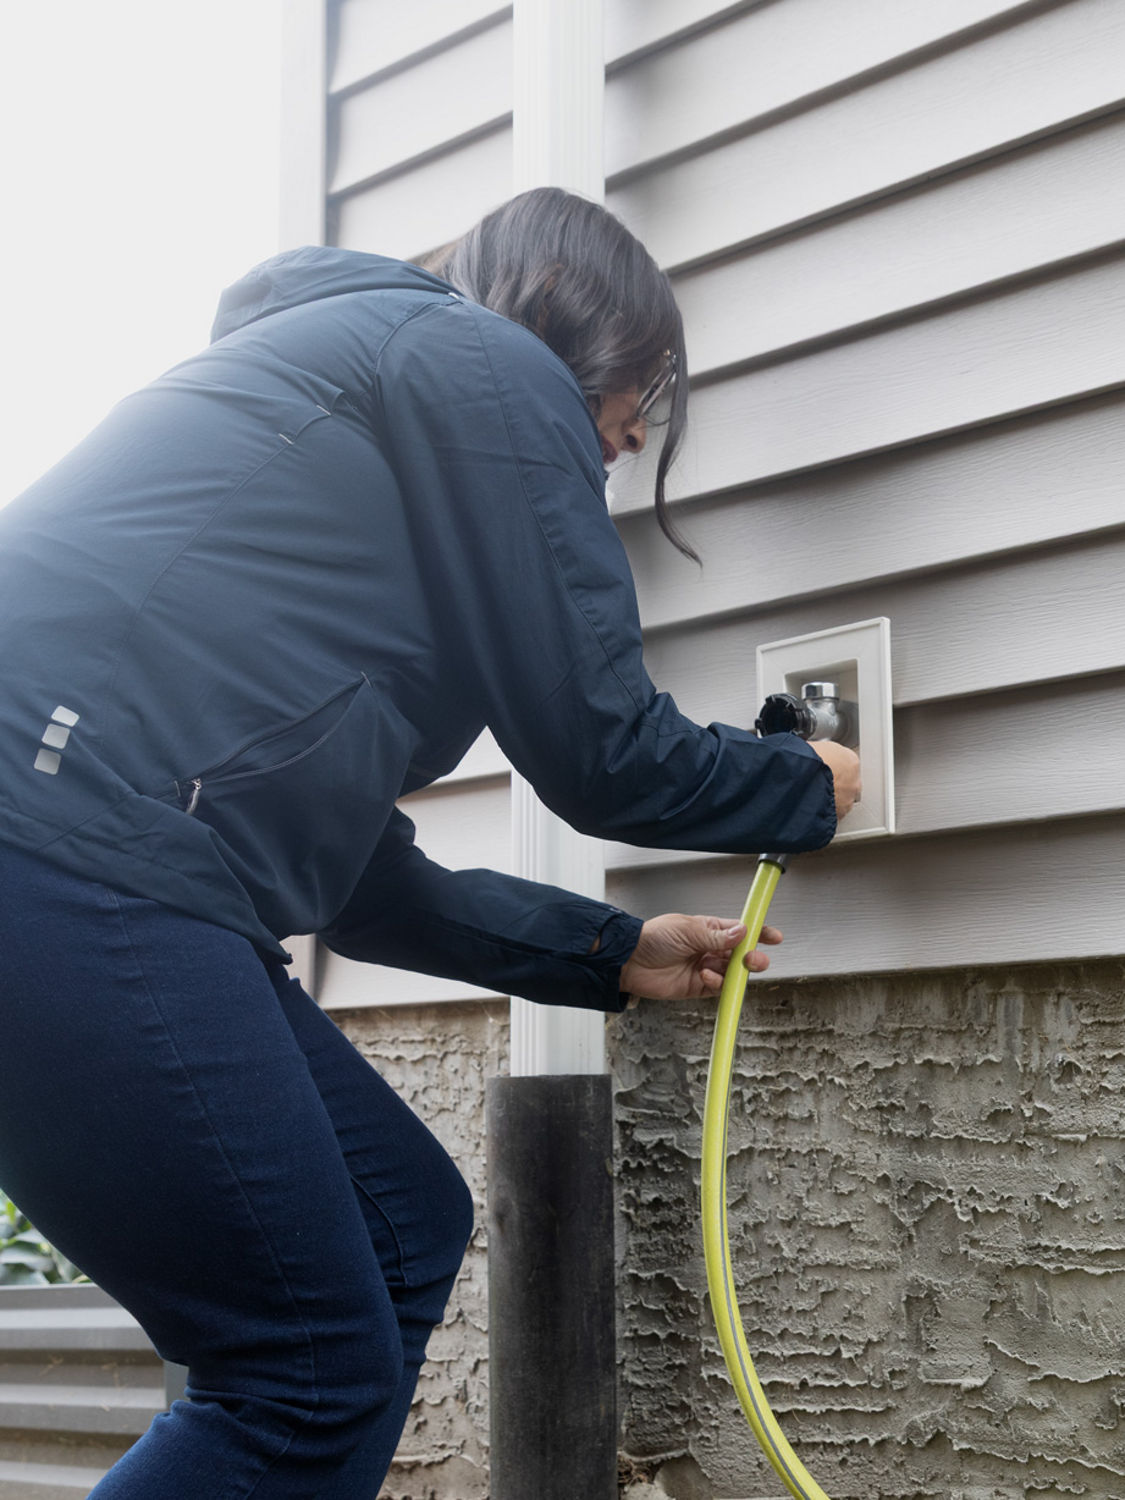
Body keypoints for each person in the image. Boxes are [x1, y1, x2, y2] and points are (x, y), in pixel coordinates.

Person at [0, 187, 859, 1498]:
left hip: (96, 857)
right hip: (64, 845)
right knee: (297, 1367)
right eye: (639, 402)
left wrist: (607, 950)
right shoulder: (481, 363)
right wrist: (801, 780)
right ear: (587, 334)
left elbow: (346, 874)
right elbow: (598, 745)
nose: (632, 438)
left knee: (404, 1224)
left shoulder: (364, 443)